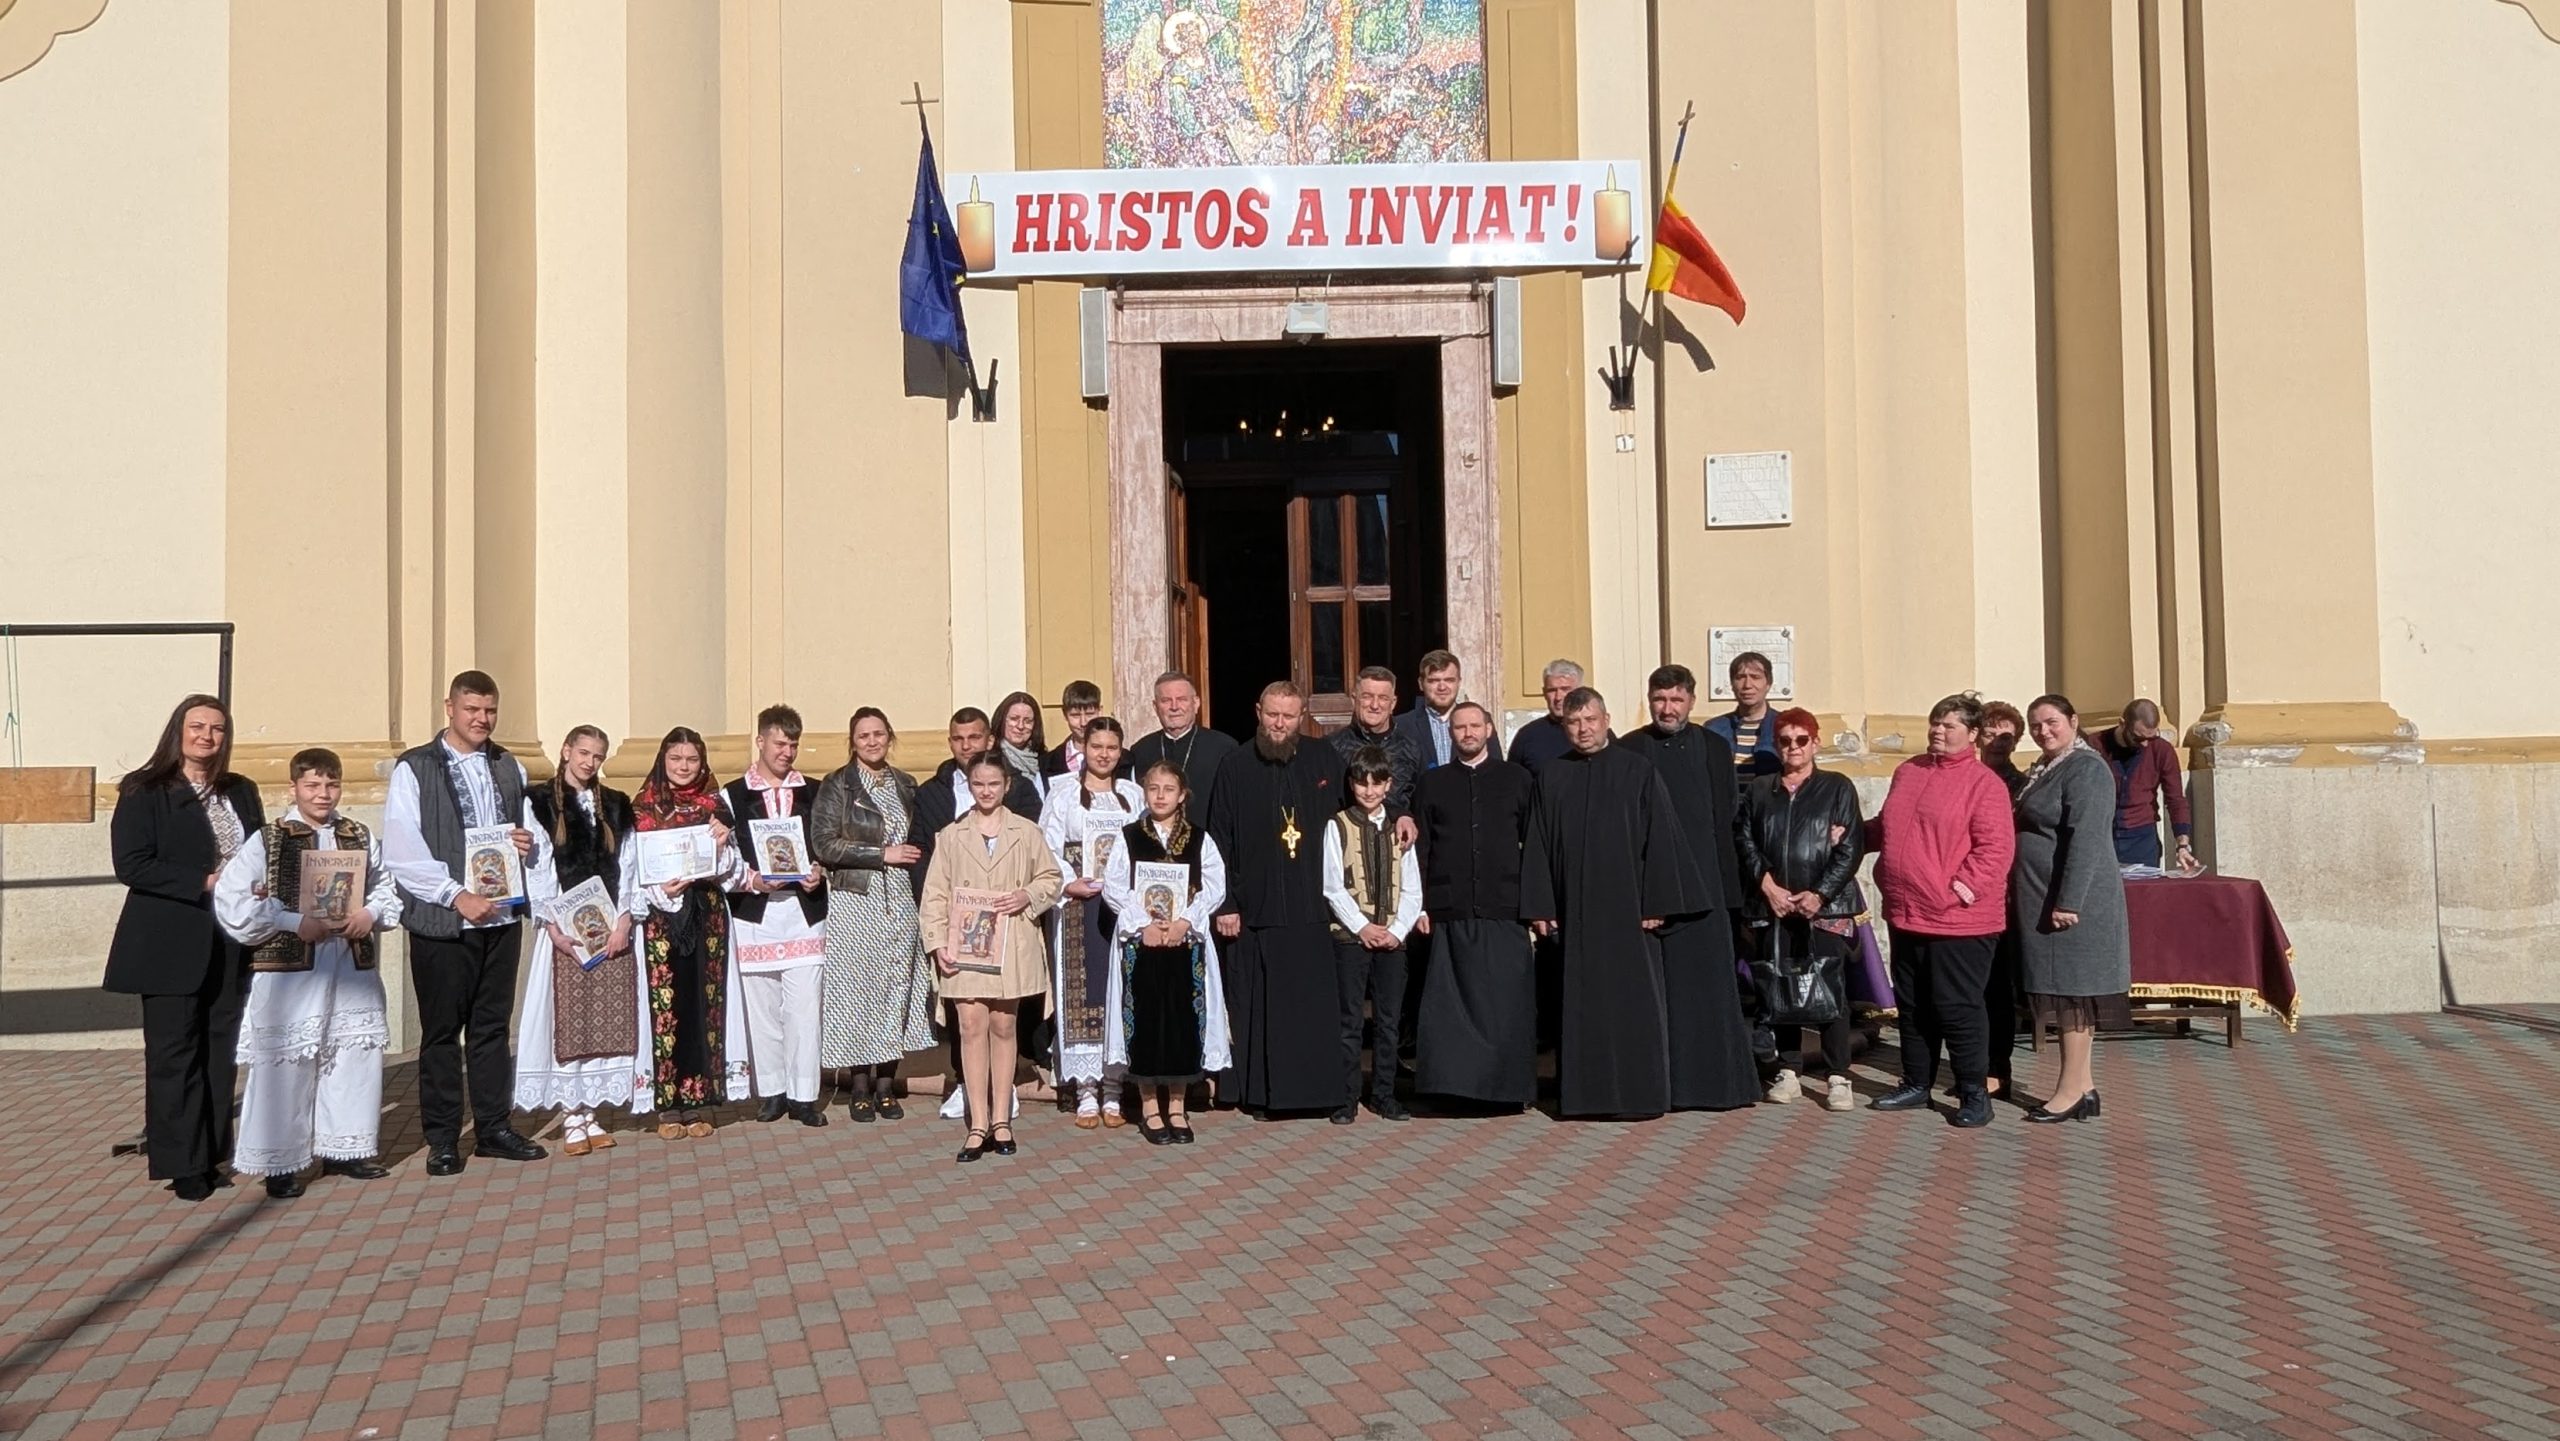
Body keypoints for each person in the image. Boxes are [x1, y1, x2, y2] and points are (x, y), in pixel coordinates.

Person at [212, 748, 400, 1196]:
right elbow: (234, 899)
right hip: (291, 971)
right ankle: (279, 1162)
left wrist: (371, 914)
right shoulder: (270, 839)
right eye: (313, 785)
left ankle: (343, 1149)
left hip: (348, 965)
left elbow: (385, 887)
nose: (323, 794)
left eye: (331, 785)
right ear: (294, 787)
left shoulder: (357, 835)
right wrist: (294, 921)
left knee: (349, 1055)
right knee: (286, 1064)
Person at [382, 670, 548, 1175]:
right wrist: (456, 895)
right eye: (472, 709)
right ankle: (443, 1138)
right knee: (440, 1034)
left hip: (500, 917)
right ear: (449, 708)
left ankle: (494, 1127)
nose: (482, 719)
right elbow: (402, 849)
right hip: (444, 921)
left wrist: (526, 843)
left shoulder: (509, 765)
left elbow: (529, 832)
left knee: (492, 1029)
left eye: (490, 710)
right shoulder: (415, 767)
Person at [1520, 687, 1709, 1119]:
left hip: (1629, 912)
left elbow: (1661, 838)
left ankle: (1639, 1095)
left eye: (1590, 720)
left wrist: (1656, 901)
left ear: (1606, 721)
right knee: (1580, 1005)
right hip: (1575, 913)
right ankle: (1585, 1098)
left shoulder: (1637, 770)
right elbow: (1538, 843)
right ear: (1564, 727)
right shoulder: (1552, 775)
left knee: (1633, 1005)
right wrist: (1541, 906)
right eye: (1574, 722)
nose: (1583, 730)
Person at [105, 695, 266, 1202]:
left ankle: (212, 1154)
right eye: (197, 726)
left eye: (217, 729)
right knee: (174, 1054)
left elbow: (261, 850)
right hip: (168, 941)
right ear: (178, 731)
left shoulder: (240, 790)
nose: (206, 737)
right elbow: (132, 864)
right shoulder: (145, 790)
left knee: (219, 1051)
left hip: (230, 937)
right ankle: (182, 1164)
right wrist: (204, 881)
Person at [1615, 665, 1761, 1112]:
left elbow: (1725, 821)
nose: (1667, 709)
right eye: (1660, 700)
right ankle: (1662, 1087)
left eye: (1676, 700)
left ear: (1691, 702)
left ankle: (1716, 1087)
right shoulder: (1630, 749)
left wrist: (1731, 896)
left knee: (1710, 994)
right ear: (1649, 700)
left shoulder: (1714, 747)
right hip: (1651, 897)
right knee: (1659, 999)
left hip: (1708, 892)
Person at [1867, 693, 2017, 1128]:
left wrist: (1959, 890)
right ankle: (1917, 1083)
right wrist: (1850, 834)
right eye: (1935, 721)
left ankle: (1974, 1093)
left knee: (1957, 1007)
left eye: (1950, 725)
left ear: (1972, 734)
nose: (1938, 730)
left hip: (1960, 920)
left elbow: (1995, 850)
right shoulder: (1908, 771)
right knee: (1913, 1005)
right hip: (1906, 911)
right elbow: (1889, 827)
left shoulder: (1984, 784)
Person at [1207, 681, 1349, 1115]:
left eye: (1288, 716)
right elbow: (1218, 839)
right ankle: (1261, 1095)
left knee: (1311, 1007)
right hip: (1255, 908)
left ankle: (1319, 1095)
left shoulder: (1324, 758)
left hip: (1312, 907)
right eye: (1272, 714)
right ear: (1258, 712)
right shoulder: (1235, 764)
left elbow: (1355, 813)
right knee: (1258, 1008)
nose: (1280, 724)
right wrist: (1225, 904)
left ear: (1302, 716)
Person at [918, 756, 1063, 1162]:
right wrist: (937, 943)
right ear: (970, 786)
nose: (986, 791)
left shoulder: (1026, 832)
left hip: (1011, 941)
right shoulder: (951, 835)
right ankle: (977, 1121)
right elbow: (935, 894)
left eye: (993, 784)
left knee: (1003, 1024)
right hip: (964, 943)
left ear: (1006, 785)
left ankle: (1002, 1118)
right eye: (979, 784)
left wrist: (1026, 896)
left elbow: (1051, 878)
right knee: (969, 1025)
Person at [517, 725, 646, 1155]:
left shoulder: (616, 804)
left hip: (609, 928)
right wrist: (553, 927)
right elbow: (538, 868)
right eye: (584, 753)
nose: (590, 763)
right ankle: (571, 1113)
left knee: (602, 1019)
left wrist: (624, 920)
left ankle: (591, 1110)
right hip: (565, 930)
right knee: (569, 1019)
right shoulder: (539, 802)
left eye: (597, 756)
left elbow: (628, 865)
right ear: (567, 751)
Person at [1736, 709, 1866, 1113]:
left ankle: (1838, 1075)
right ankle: (1788, 1070)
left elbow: (1851, 847)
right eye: (1785, 740)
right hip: (1773, 905)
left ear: (1815, 742)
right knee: (1779, 986)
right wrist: (1767, 885)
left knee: (1828, 987)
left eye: (1801, 739)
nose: (1793, 747)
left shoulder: (1836, 787)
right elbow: (1744, 840)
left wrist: (1820, 894)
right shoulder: (1761, 789)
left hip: (1823, 908)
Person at [808, 707, 933, 1122]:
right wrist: (881, 854)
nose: (872, 742)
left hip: (900, 897)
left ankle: (886, 1086)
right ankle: (859, 1085)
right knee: (858, 991)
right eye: (864, 736)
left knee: (897, 985)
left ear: (889, 737)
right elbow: (824, 843)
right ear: (853, 741)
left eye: (879, 734)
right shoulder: (838, 784)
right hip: (856, 897)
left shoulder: (905, 784)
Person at [2011, 695, 2131, 1123]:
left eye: (2052, 722)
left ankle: (2069, 1091)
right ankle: (2085, 1087)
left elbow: (2087, 838)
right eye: (2036, 725)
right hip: (2045, 898)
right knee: (2066, 994)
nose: (2043, 731)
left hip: (2073, 905)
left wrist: (2069, 901)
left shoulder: (2086, 769)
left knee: (2074, 997)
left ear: (2074, 721)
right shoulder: (2049, 767)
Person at [1411, 702, 1536, 1108]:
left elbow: (1534, 844)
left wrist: (1537, 905)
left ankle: (1506, 1092)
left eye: (1474, 726)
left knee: (1505, 1006)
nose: (1468, 733)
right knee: (1450, 1010)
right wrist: (1419, 905)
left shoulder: (1517, 779)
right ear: (1451, 734)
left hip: (1505, 907)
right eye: (1460, 727)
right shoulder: (1432, 783)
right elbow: (1421, 850)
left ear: (1489, 729)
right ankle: (1453, 1092)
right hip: (1450, 908)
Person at [1101, 760, 1232, 1143]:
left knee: (1181, 1021)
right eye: (1153, 788)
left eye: (1168, 789)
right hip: (1141, 944)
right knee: (1144, 1020)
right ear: (1144, 792)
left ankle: (1177, 1106)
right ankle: (1149, 1108)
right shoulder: (1129, 836)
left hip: (1183, 944)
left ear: (1182, 795)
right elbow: (1114, 885)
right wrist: (1143, 923)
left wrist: (1184, 922)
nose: (1160, 796)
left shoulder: (1199, 839)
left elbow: (1214, 885)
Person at [629, 727, 749, 1139]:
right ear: (663, 760)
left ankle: (698, 1100)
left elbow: (732, 872)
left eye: (692, 760)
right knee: (667, 1005)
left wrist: (723, 843)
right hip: (661, 919)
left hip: (707, 916)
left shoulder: (717, 807)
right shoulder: (642, 808)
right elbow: (631, 870)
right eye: (676, 759)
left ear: (702, 763)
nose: (684, 767)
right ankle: (667, 1107)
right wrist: (658, 891)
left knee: (704, 1005)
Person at [721, 705, 830, 1127]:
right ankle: (771, 1092)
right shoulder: (731, 795)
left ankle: (804, 1095)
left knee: (804, 1009)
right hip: (755, 913)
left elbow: (826, 843)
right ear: (761, 741)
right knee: (761, 1008)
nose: (787, 752)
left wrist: (819, 870)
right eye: (780, 743)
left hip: (804, 912)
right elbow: (724, 854)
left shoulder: (815, 791)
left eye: (793, 744)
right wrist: (751, 879)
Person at [1040, 716, 1143, 1128]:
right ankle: (1085, 1089)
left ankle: (1114, 1088)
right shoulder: (1063, 794)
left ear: (1121, 751)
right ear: (1083, 748)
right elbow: (1046, 847)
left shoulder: (1133, 796)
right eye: (1096, 746)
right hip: (1079, 904)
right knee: (1082, 992)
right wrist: (1069, 882)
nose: (1104, 754)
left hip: (1124, 907)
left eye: (1112, 748)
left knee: (1120, 989)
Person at [1323, 746, 1423, 1123]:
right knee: (1349, 1021)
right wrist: (1361, 926)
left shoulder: (1400, 828)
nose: (1369, 790)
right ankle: (1347, 1096)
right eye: (1362, 783)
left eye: (1376, 783)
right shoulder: (1337, 825)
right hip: (1351, 939)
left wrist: (1397, 930)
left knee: (1389, 1020)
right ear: (1352, 784)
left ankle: (1384, 1093)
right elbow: (1332, 885)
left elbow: (1412, 888)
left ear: (1388, 785)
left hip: (1392, 941)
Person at [1977, 699, 2029, 1096]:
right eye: (1990, 733)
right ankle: (1971, 1063)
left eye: (2006, 736)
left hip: (2006, 897)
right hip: (1963, 896)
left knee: (1997, 988)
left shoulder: (2023, 788)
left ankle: (1998, 1067)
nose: (1997, 742)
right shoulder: (1965, 778)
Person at [1123, 670, 1239, 829]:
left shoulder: (1224, 748)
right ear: (1155, 707)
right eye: (1166, 701)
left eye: (1182, 699)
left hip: (1207, 839)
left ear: (1196, 703)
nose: (1174, 707)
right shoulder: (1141, 750)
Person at [2097, 699, 2197, 870]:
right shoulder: (2095, 746)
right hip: (2101, 837)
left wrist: (2182, 845)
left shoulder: (2161, 750)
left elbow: (2176, 800)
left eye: (2151, 737)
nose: (2145, 744)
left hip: (2142, 839)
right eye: (2138, 738)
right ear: (2122, 723)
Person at [1327, 666, 1423, 829]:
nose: (1375, 705)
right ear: (1354, 699)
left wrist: (1405, 816)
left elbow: (1420, 803)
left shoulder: (1411, 748)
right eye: (1367, 697)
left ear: (1393, 703)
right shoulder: (1332, 747)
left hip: (1397, 837)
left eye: (1383, 698)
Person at [1392, 649, 1503, 769]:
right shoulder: (1401, 725)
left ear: (1459, 682)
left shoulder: (1480, 720)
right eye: (1434, 681)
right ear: (1421, 683)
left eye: (1449, 680)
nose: (1442, 687)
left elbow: (1496, 768)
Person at [1703, 651, 1783, 779]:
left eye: (1755, 677)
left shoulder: (1783, 726)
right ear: (1732, 684)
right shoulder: (1714, 729)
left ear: (1768, 684)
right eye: (1740, 677)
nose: (1747, 685)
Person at [1507, 659, 1583, 777]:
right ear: (1544, 693)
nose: (1558, 697)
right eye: (1552, 690)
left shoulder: (1593, 732)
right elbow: (1513, 780)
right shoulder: (1527, 735)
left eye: (1565, 689)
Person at [1039, 680, 1105, 780]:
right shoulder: (1047, 763)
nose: (1083, 723)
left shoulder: (1123, 761)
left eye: (1089, 714)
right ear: (1065, 714)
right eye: (1075, 715)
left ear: (1100, 711)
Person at [992, 692, 1050, 792]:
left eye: (1027, 721)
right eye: (1014, 719)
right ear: (1002, 720)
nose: (1020, 726)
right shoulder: (992, 760)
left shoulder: (1046, 761)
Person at [1980, 701, 2028, 799]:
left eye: (2005, 738)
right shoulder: (1964, 778)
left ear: (2015, 743)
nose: (1996, 744)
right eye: (1989, 736)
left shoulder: (2022, 787)